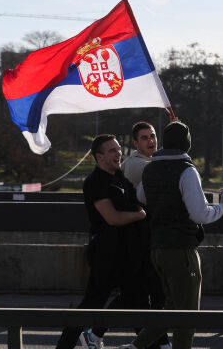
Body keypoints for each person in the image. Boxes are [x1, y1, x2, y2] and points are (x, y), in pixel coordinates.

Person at [118, 121, 223, 349]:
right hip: (181, 248)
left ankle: (135, 347)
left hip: (157, 248)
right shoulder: (187, 170)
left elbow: (142, 196)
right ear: (186, 143)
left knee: (172, 307)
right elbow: (199, 214)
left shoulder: (151, 169)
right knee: (188, 313)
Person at [56, 134, 147, 349]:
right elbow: (113, 217)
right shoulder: (95, 182)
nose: (118, 154)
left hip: (127, 253)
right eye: (112, 151)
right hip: (106, 255)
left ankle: (148, 344)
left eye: (118, 150)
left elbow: (134, 204)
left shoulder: (120, 178)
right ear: (99, 157)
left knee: (138, 301)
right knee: (91, 304)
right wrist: (140, 215)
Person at [121, 121, 158, 187]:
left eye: (152, 136)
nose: (151, 141)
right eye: (144, 138)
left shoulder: (135, 156)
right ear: (136, 143)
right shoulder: (135, 164)